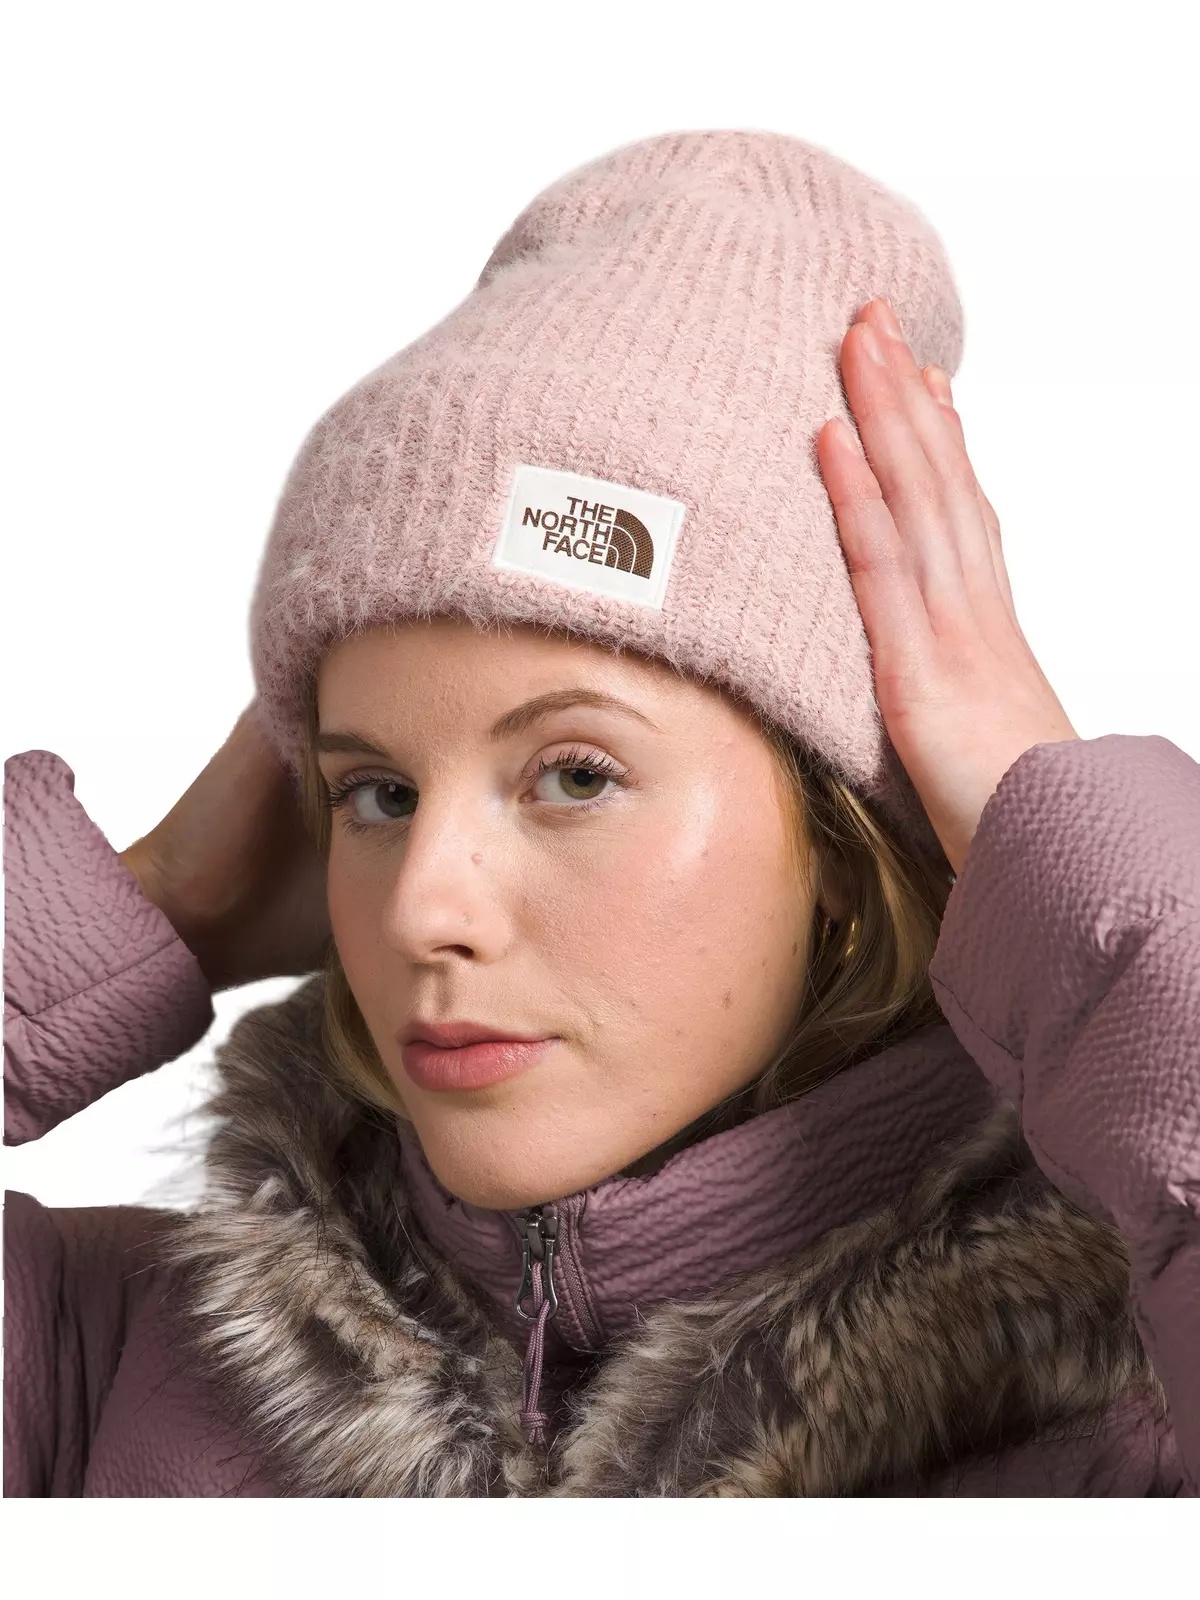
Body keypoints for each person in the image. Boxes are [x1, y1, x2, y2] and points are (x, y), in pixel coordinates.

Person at [4, 128, 1198, 1498]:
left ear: (840, 841)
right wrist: (154, 899)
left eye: (574, 775)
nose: (421, 908)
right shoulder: (103, 1364)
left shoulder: (1127, 1431)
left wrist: (1051, 838)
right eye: (377, 792)